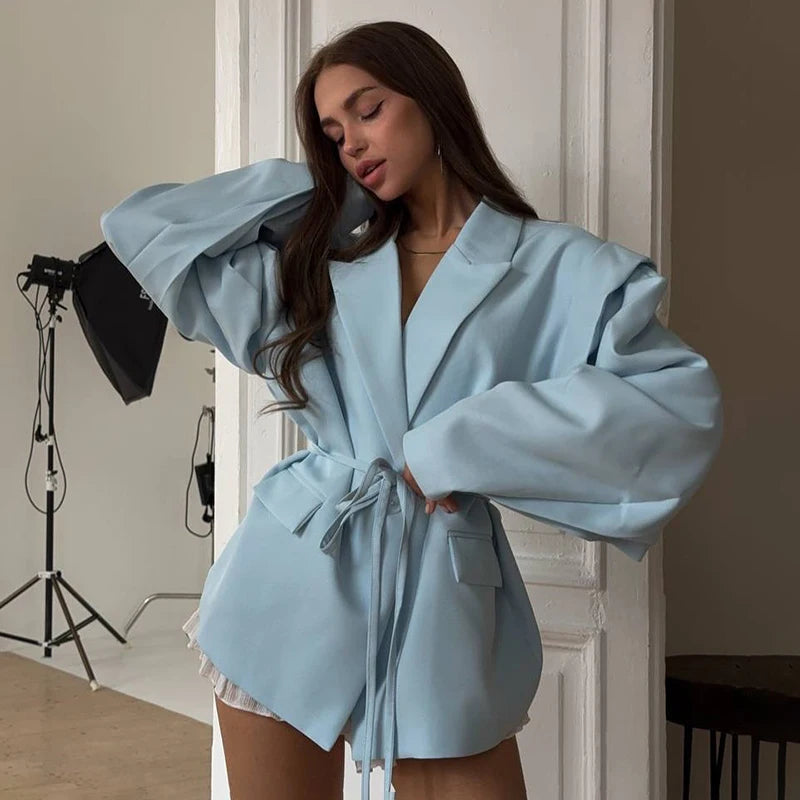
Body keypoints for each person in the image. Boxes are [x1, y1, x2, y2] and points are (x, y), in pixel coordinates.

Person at [100, 20, 724, 800]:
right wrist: (326, 195)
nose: (352, 142)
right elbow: (144, 231)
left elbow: (673, 412)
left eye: (369, 110)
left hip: (442, 592)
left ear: (431, 101)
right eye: (332, 133)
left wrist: (462, 445)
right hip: (291, 574)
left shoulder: (558, 266)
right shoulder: (319, 268)